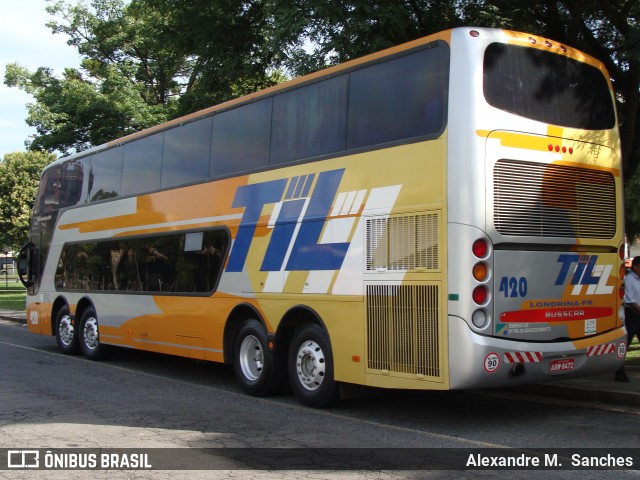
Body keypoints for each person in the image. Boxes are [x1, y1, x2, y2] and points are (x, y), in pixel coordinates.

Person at [616, 256, 640, 382]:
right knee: (625, 344)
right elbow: (629, 300)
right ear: (635, 266)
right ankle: (619, 371)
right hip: (632, 314)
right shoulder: (629, 279)